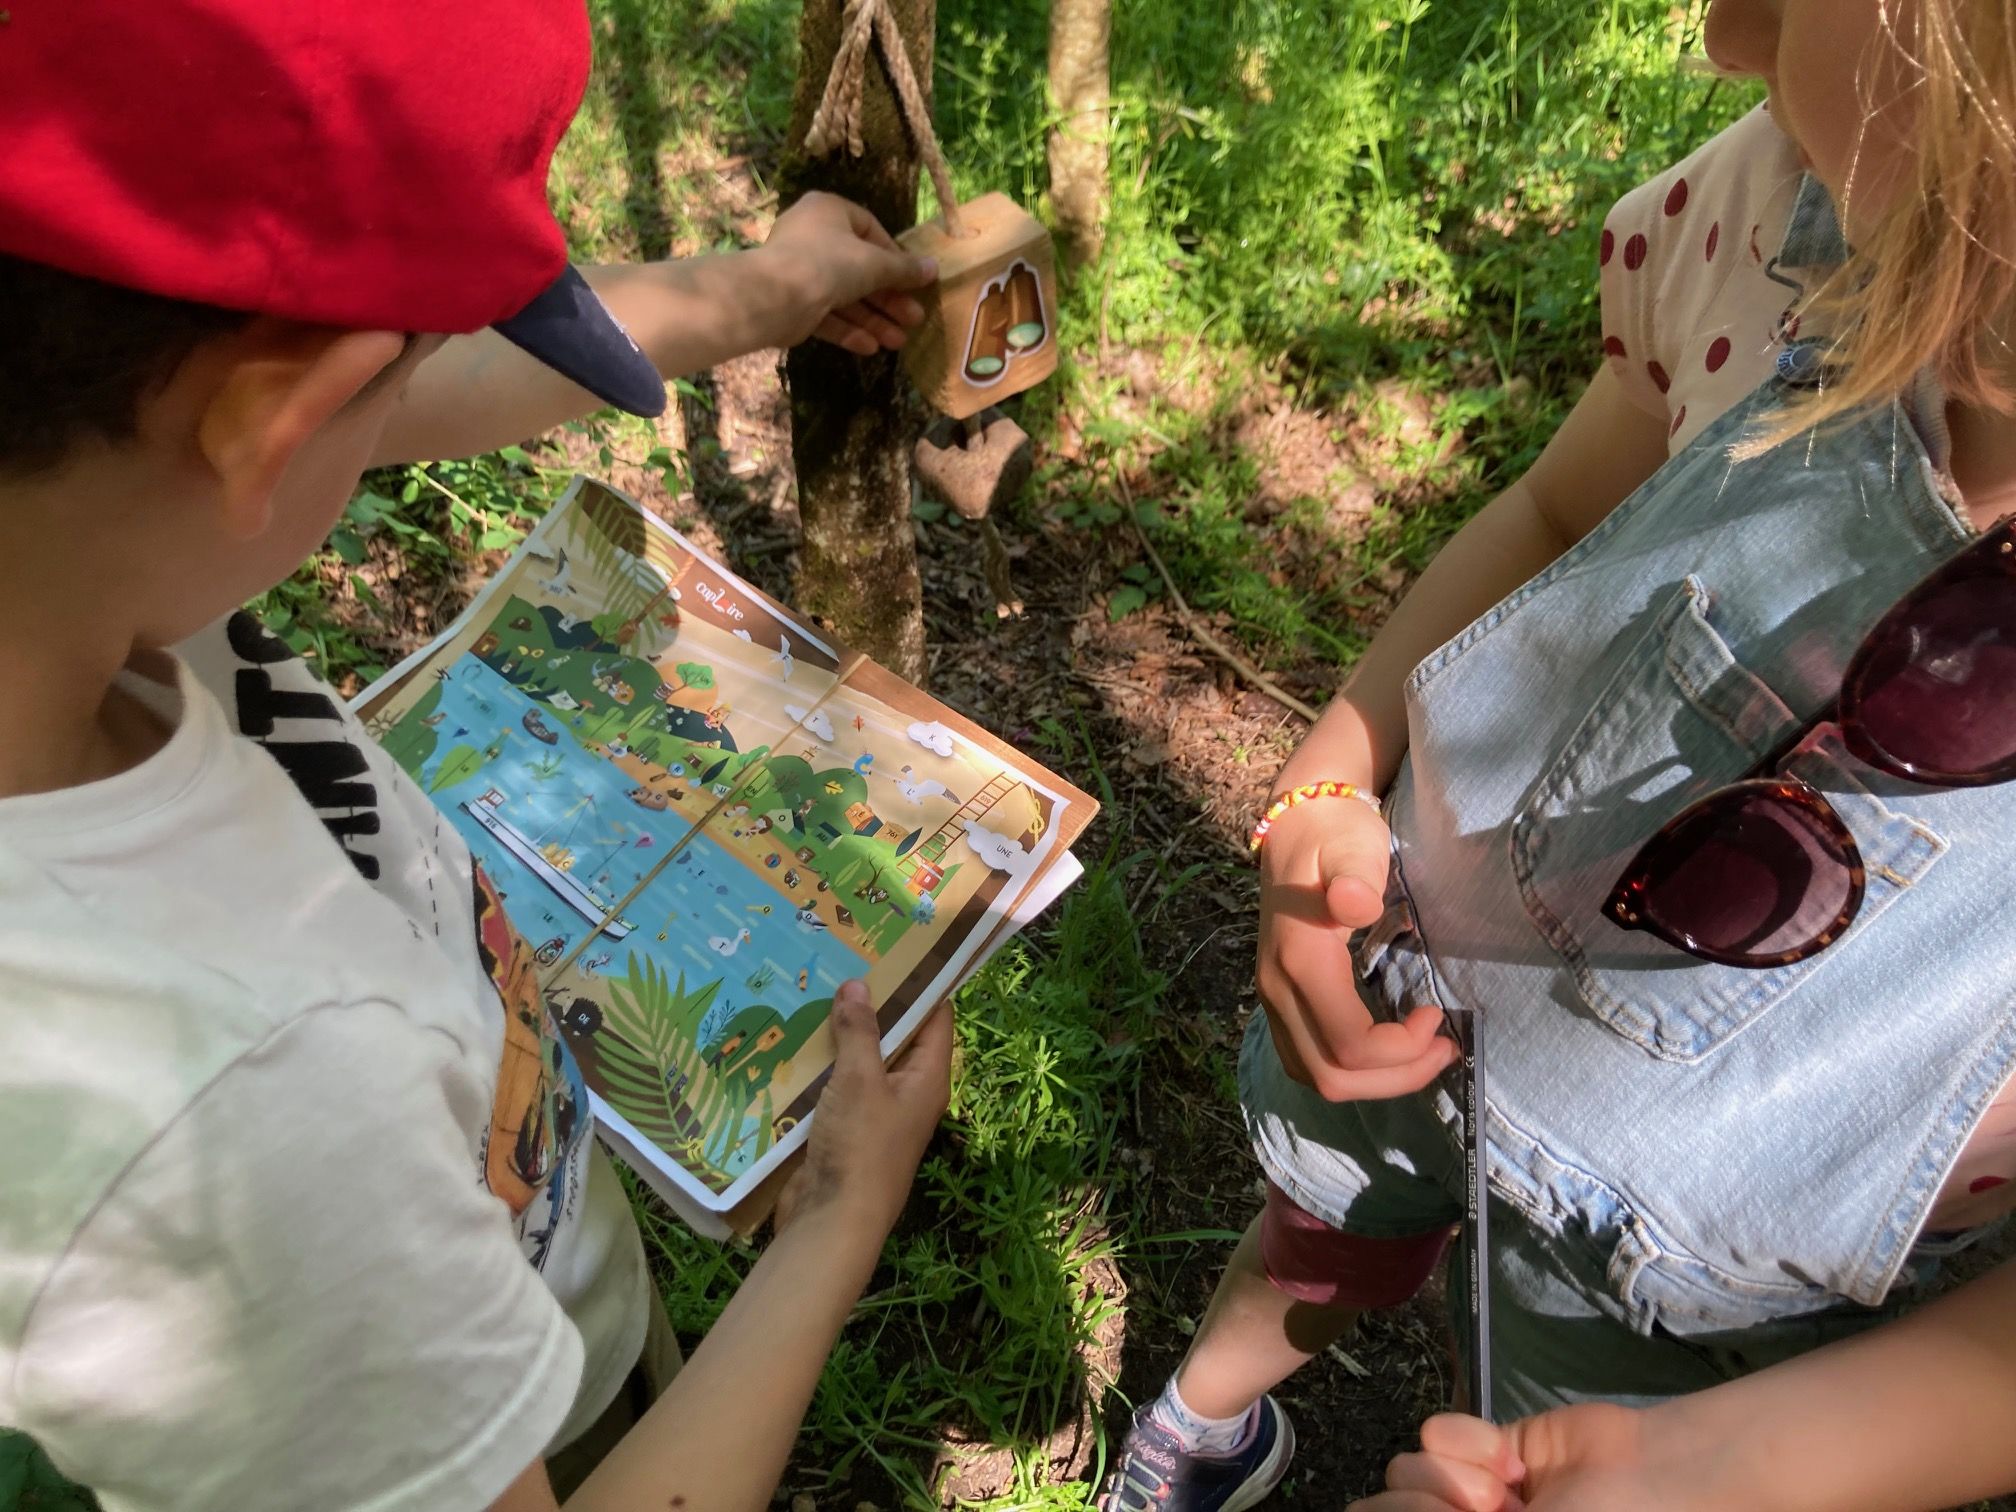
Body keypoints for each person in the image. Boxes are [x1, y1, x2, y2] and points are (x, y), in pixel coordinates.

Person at [0, 2, 954, 1509]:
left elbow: (369, 401)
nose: (417, 404)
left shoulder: (66, 532)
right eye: (399, 373)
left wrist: (765, 290)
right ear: (279, 424)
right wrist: (838, 1217)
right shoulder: (247, 1115)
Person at [1096, 1, 2016, 1508]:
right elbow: (1551, 511)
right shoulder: (1769, 220)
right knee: (1323, 1234)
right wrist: (1328, 778)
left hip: (1705, 1314)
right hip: (1408, 992)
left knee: (1538, 1411)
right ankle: (1211, 1414)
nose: (1724, 38)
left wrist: (1723, 1464)